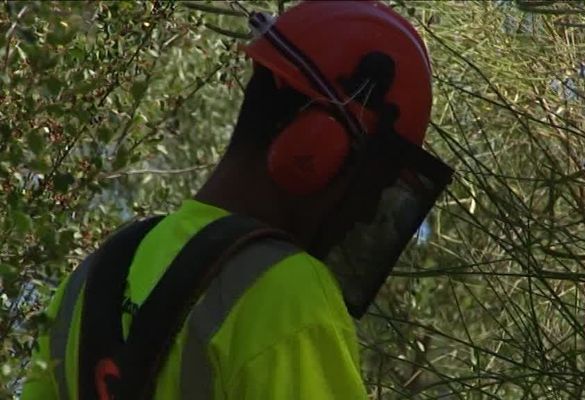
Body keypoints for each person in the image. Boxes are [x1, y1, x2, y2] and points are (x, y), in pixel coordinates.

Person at [22, 1, 452, 399]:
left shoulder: (89, 279)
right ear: (318, 149)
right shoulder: (286, 290)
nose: (364, 214)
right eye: (372, 187)